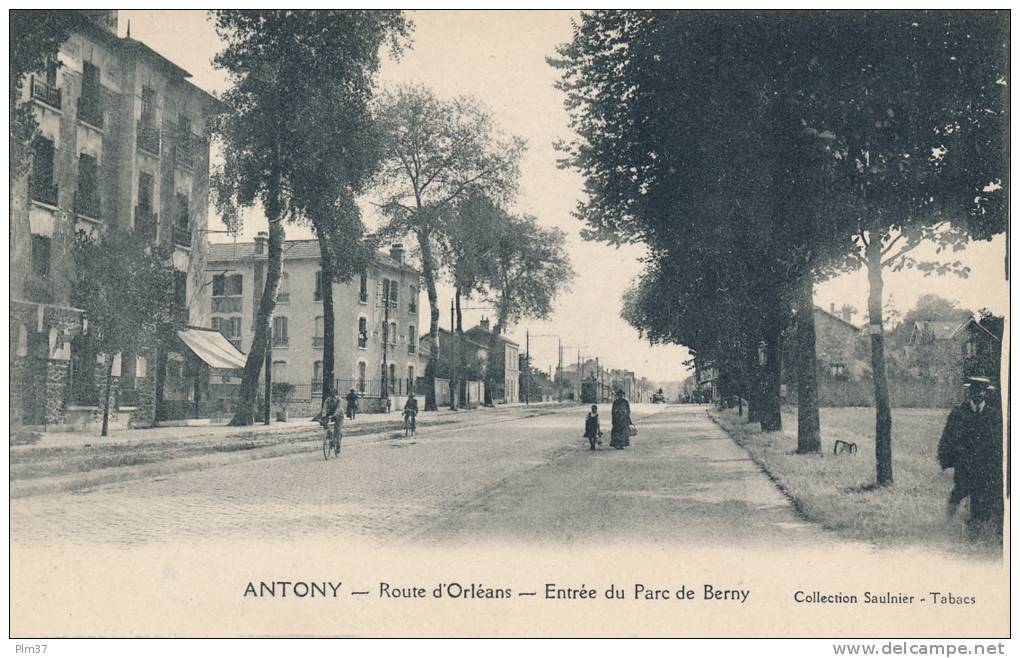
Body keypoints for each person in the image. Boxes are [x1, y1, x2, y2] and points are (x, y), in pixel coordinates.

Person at [937, 377, 1003, 539]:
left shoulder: (993, 416)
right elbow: (947, 438)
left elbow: (999, 443)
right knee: (959, 491)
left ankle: (975, 530)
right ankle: (947, 524)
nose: (978, 394)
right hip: (964, 464)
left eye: (981, 391)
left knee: (982, 496)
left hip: (985, 465)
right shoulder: (958, 413)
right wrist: (945, 462)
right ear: (969, 393)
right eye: (974, 391)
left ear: (986, 394)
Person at [319, 389, 343, 455]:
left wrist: (335, 415)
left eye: (334, 394)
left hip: (339, 416)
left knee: (337, 430)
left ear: (336, 394)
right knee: (326, 425)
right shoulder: (328, 400)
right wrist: (323, 416)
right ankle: (330, 437)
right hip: (330, 414)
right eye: (331, 394)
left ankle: (338, 444)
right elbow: (324, 408)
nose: (332, 395)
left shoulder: (339, 400)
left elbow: (339, 408)